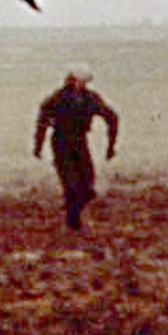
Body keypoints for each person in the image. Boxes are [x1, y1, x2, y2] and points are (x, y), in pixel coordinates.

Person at [34, 71, 119, 231]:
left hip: (80, 141)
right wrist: (38, 145)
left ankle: (72, 214)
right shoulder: (57, 98)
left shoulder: (90, 98)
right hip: (61, 142)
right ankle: (73, 222)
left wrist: (111, 147)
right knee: (70, 184)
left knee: (88, 186)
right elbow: (42, 121)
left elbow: (112, 118)